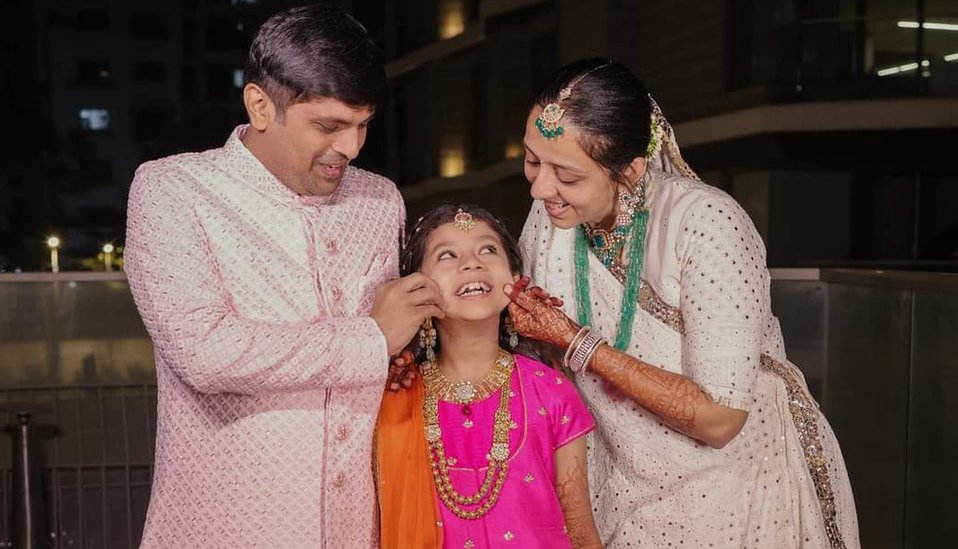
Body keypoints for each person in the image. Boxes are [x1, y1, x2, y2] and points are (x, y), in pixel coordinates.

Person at [124, 6, 444, 548]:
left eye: (362, 124)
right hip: (229, 530)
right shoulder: (173, 190)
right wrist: (369, 337)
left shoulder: (378, 200)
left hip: (359, 531)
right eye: (329, 126)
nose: (350, 146)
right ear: (260, 105)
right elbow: (204, 351)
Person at [507, 58, 860, 548]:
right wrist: (524, 327)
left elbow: (720, 419)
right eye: (531, 160)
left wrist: (573, 339)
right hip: (616, 479)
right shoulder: (551, 216)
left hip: (734, 489)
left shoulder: (707, 223)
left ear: (629, 171)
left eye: (565, 174)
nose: (539, 188)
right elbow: (546, 368)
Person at [375, 204, 602, 548]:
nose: (472, 262)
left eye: (488, 249)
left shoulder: (550, 390)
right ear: (417, 287)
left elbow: (580, 527)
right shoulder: (394, 397)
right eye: (447, 255)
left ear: (514, 279)